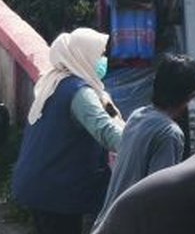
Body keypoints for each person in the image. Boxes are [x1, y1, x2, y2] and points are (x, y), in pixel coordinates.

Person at [11, 28, 124, 234]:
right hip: (58, 191)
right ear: (83, 55)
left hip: (41, 185)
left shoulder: (54, 81)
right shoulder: (80, 93)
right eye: (100, 54)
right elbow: (106, 131)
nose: (103, 60)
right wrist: (140, 145)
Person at [95, 54, 195, 228]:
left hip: (106, 224)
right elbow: (159, 199)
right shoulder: (169, 133)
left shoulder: (138, 115)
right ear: (190, 96)